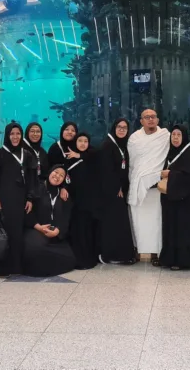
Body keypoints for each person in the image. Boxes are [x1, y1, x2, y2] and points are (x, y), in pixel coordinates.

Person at [0, 123, 36, 277]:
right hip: (4, 198)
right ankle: (4, 266)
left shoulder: (27, 154)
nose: (15, 137)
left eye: (18, 133)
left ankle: (16, 266)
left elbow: (31, 179)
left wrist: (30, 198)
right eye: (12, 134)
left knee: (18, 233)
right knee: (5, 232)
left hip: (20, 199)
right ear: (7, 135)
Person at [127, 109, 170, 265]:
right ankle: (138, 250)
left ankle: (155, 252)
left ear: (157, 120)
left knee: (156, 222)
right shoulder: (134, 139)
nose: (150, 120)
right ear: (141, 121)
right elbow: (133, 163)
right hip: (139, 185)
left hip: (156, 187)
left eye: (153, 117)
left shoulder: (165, 136)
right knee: (139, 222)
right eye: (147, 117)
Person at [23, 165, 76, 277]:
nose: (57, 176)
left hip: (54, 233)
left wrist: (58, 230)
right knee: (36, 248)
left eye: (61, 175)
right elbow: (28, 212)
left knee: (70, 257)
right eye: (56, 172)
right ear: (50, 172)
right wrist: (38, 227)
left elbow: (66, 217)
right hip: (36, 230)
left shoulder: (63, 194)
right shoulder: (36, 189)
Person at [159, 125, 190, 270]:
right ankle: (169, 259)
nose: (175, 138)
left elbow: (189, 175)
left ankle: (183, 261)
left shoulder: (188, 153)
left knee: (183, 229)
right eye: (173, 135)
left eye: (179, 135)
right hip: (169, 198)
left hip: (184, 200)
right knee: (170, 228)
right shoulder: (168, 152)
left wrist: (170, 174)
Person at [98, 118, 136, 264]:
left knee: (120, 223)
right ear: (114, 128)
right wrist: (116, 188)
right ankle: (110, 255)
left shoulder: (122, 145)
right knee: (114, 224)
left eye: (125, 128)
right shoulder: (108, 145)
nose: (121, 130)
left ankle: (123, 255)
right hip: (112, 192)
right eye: (119, 127)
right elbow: (106, 170)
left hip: (120, 191)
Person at [67, 132, 100, 270]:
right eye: (80, 140)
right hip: (74, 202)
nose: (82, 144)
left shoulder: (91, 157)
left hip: (89, 203)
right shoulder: (69, 159)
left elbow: (96, 154)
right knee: (76, 231)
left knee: (88, 231)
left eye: (85, 141)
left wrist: (79, 155)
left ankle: (89, 259)